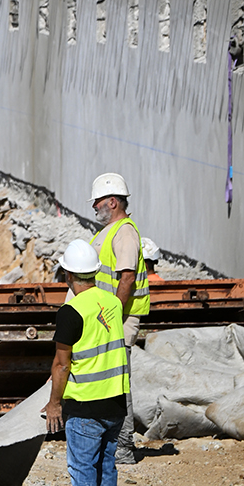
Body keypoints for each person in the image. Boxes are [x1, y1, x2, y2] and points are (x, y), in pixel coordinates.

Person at [40, 239, 129, 486]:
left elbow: (62, 364)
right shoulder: (114, 304)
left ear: (67, 275)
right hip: (116, 403)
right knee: (106, 468)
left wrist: (53, 404)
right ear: (94, 272)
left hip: (85, 405)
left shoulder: (71, 311)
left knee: (83, 469)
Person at [90, 171, 149, 466]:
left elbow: (126, 279)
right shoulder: (106, 233)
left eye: (98, 201)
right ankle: (111, 443)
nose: (94, 207)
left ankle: (123, 446)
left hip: (118, 320)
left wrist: (111, 318)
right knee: (109, 380)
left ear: (113, 202)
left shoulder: (124, 231)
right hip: (107, 319)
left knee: (118, 382)